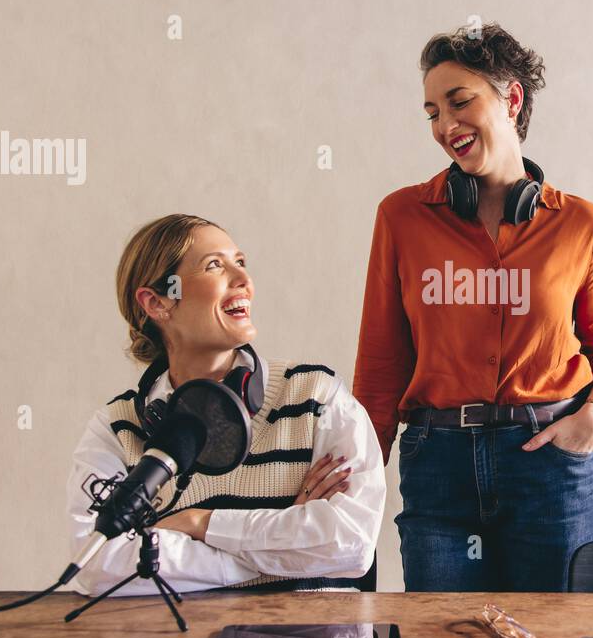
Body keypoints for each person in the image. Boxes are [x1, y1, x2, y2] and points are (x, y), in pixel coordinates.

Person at [353, 23, 593, 591]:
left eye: (460, 102)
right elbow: (382, 364)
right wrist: (359, 471)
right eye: (432, 112)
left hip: (552, 467)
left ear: (511, 99)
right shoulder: (402, 217)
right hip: (439, 466)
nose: (444, 126)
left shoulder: (583, 224)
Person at [67, 214, 385, 596]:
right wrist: (283, 541)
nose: (243, 281)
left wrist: (199, 523)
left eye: (241, 262)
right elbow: (97, 564)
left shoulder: (317, 397)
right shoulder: (115, 428)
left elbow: (349, 543)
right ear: (157, 302)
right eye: (214, 265)